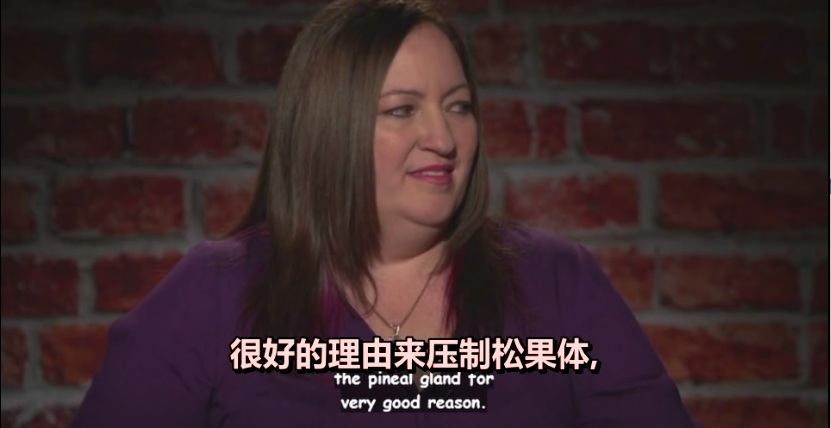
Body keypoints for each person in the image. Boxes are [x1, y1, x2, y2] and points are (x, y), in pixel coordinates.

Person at [71, 0, 700, 426]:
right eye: (402, 110)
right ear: (330, 130)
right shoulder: (216, 291)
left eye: (458, 106)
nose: (444, 138)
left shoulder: (557, 280)